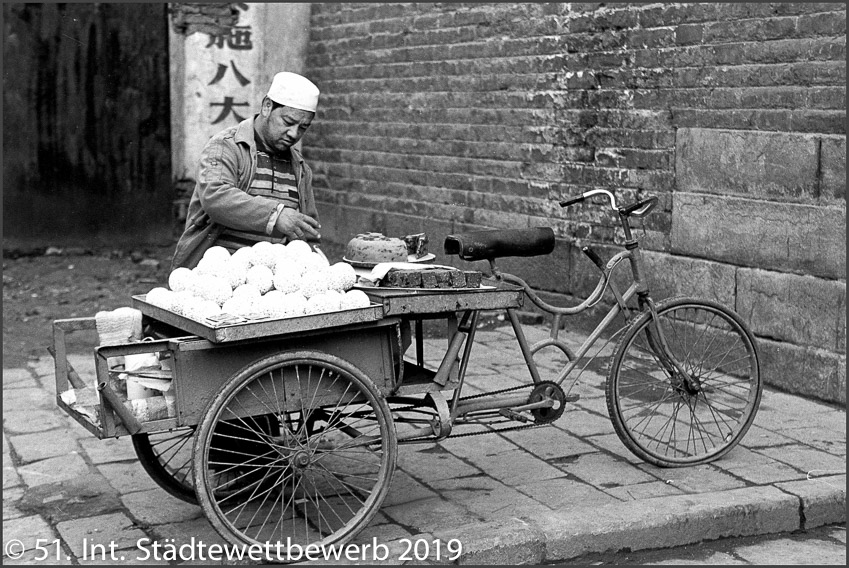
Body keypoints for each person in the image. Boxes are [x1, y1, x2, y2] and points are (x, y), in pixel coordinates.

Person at [171, 71, 323, 271]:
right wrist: (276, 215)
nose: (294, 134)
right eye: (287, 122)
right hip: (216, 275)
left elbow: (306, 231)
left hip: (273, 285)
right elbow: (215, 197)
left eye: (303, 127)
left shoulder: (300, 168)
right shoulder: (226, 147)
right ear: (267, 106)